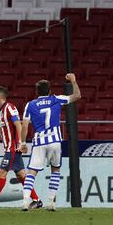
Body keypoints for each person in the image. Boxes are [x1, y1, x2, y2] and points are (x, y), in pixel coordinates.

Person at [20, 73, 81, 211]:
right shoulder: (56, 99)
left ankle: (25, 202)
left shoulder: (30, 105)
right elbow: (77, 96)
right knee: (55, 170)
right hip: (54, 141)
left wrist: (22, 143)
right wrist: (73, 81)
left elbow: (24, 126)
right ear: (49, 90)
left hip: (39, 142)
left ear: (37, 92)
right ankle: (51, 202)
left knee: (31, 173)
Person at [0, 86, 42, 209]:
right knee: (21, 175)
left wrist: (21, 143)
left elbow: (18, 124)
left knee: (1, 172)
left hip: (13, 149)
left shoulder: (10, 108)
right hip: (9, 149)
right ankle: (37, 200)